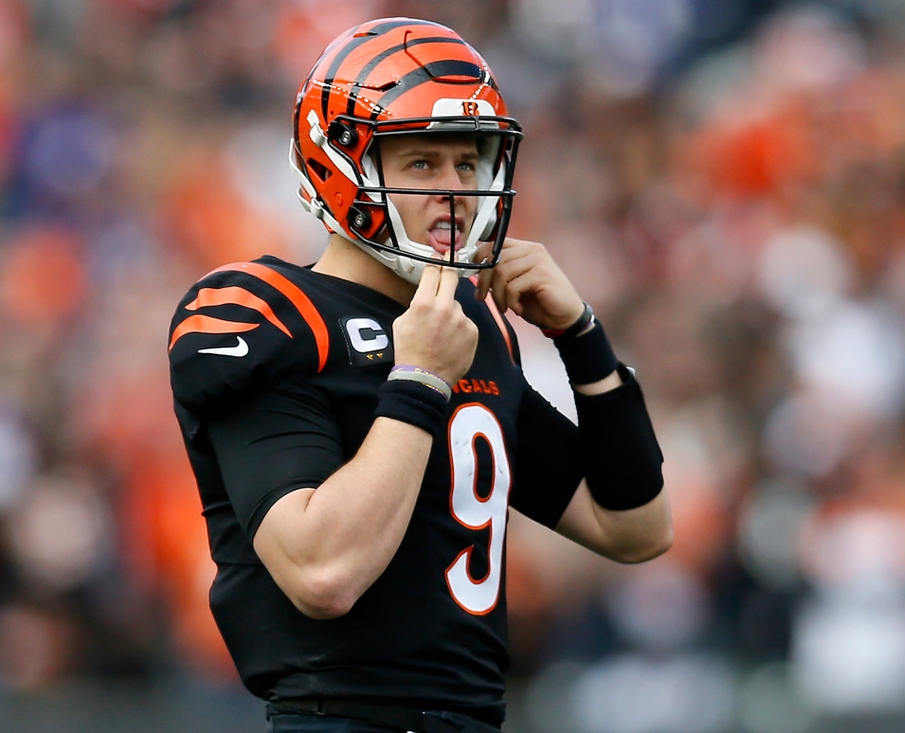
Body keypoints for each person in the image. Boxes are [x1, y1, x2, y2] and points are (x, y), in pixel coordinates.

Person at [168, 17, 671, 733]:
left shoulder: (472, 324)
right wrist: (421, 379)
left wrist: (581, 337)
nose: (457, 191)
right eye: (422, 163)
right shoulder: (266, 314)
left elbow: (636, 527)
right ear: (340, 166)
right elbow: (323, 574)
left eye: (469, 164)